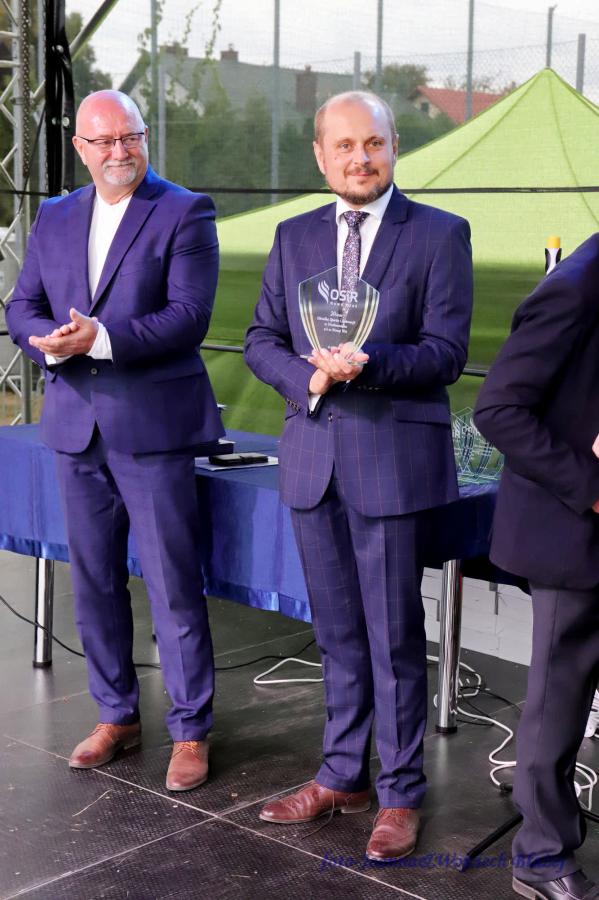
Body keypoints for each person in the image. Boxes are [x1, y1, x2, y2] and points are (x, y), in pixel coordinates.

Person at [244, 90, 473, 861]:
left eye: (371, 143)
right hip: (313, 461)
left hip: (392, 464)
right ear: (320, 156)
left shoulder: (438, 234)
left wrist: (368, 365)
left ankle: (400, 792)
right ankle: (342, 775)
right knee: (336, 634)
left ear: (394, 145)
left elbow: (446, 353)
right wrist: (308, 378)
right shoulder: (292, 235)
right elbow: (261, 339)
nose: (359, 158)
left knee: (392, 636)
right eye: (342, 146)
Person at [6, 90, 223, 792]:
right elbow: (22, 305)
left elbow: (189, 317)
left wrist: (100, 338)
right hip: (75, 426)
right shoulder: (57, 214)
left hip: (153, 428)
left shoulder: (185, 210)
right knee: (95, 581)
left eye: (129, 137)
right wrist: (44, 342)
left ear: (145, 137)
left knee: (172, 584)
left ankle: (190, 730)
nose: (119, 152)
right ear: (81, 149)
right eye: (103, 142)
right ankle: (116, 715)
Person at [474, 237, 599, 899]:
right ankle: (541, 856)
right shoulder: (575, 287)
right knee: (559, 702)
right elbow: (497, 410)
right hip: (570, 532)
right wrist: (593, 485)